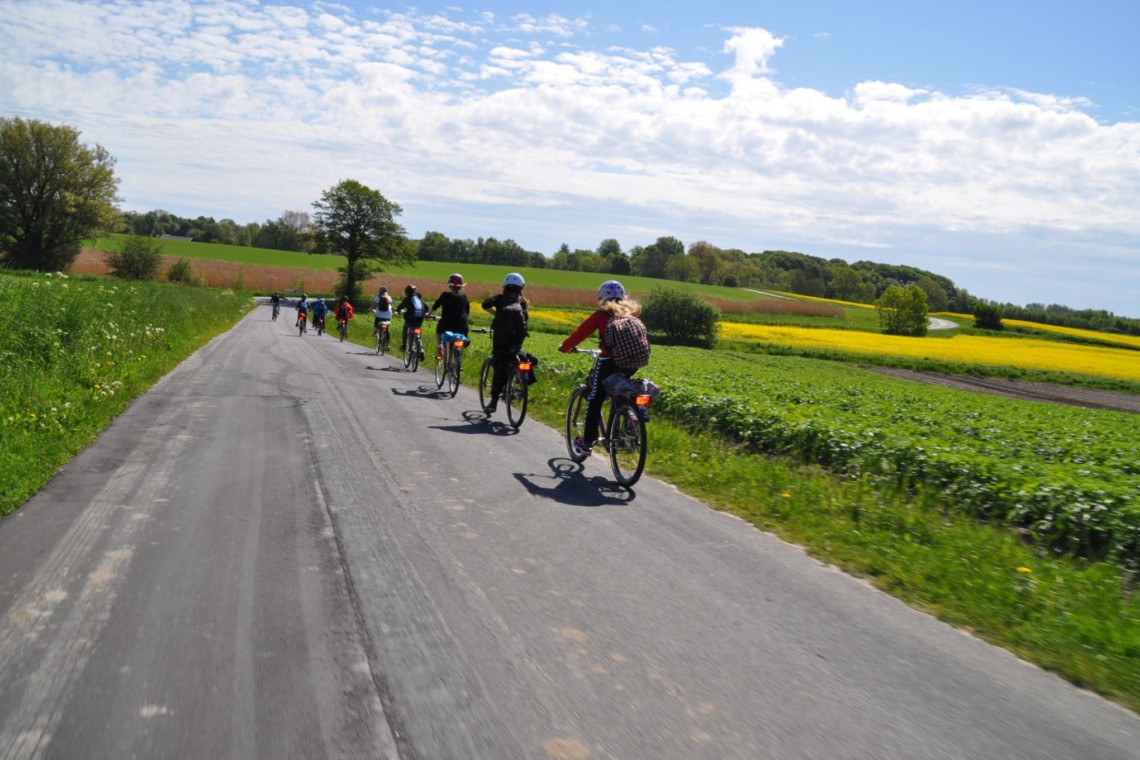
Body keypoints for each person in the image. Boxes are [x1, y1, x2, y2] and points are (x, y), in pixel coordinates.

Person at [558, 280, 644, 457]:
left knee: (595, 398)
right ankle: (627, 418)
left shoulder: (601, 315)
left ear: (602, 298)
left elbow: (580, 333)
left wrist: (565, 347)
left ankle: (587, 442)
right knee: (619, 391)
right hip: (632, 363)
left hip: (608, 362)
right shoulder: (631, 314)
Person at [480, 273, 529, 414]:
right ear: (521, 287)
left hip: (500, 338)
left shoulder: (500, 298)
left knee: (499, 367)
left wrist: (496, 314)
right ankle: (518, 383)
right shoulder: (522, 303)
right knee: (515, 358)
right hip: (517, 339)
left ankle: (493, 402)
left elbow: (485, 304)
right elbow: (526, 320)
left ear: (505, 285)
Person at [431, 273, 471, 356]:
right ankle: (458, 359)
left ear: (449, 285)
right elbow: (467, 312)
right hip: (462, 325)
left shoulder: (445, 295)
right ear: (461, 286)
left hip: (446, 324)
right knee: (461, 339)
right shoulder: (464, 297)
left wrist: (428, 313)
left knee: (439, 330)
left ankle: (440, 346)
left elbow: (436, 305)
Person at [395, 284, 428, 359]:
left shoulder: (408, 299)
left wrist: (398, 310)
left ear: (407, 292)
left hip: (410, 319)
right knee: (418, 332)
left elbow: (400, 307)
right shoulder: (420, 298)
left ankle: (404, 345)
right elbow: (427, 307)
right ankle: (421, 350)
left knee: (405, 327)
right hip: (420, 319)